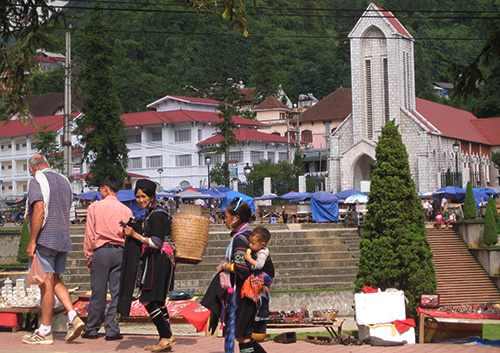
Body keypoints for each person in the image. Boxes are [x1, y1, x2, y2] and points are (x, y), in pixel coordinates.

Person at [23, 155, 85, 345]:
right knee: (55, 279)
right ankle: (73, 316)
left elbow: (39, 210)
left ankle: (45, 330)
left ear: (33, 169)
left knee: (46, 282)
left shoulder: (37, 180)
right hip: (63, 238)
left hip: (46, 238)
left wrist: (32, 241)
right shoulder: (63, 181)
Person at [201, 198, 275, 353]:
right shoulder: (246, 235)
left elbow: (242, 269)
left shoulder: (241, 239)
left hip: (246, 293)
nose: (224, 219)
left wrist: (224, 266)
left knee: (242, 335)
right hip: (248, 292)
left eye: (226, 216)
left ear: (236, 218)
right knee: (242, 333)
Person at [124, 179, 176, 352]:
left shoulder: (158, 215)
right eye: (137, 197)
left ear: (152, 196)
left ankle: (165, 335)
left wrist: (134, 235)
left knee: (147, 299)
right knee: (159, 301)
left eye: (143, 196)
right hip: (158, 260)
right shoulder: (152, 213)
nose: (140, 200)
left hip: (159, 260)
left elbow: (156, 242)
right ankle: (167, 337)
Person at [82, 176, 133, 340]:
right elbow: (128, 235)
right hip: (119, 251)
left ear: (105, 188)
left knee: (98, 291)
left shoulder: (94, 207)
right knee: (116, 292)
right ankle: (112, 329)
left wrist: (89, 255)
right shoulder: (125, 210)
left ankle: (92, 329)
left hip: (101, 251)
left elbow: (89, 234)